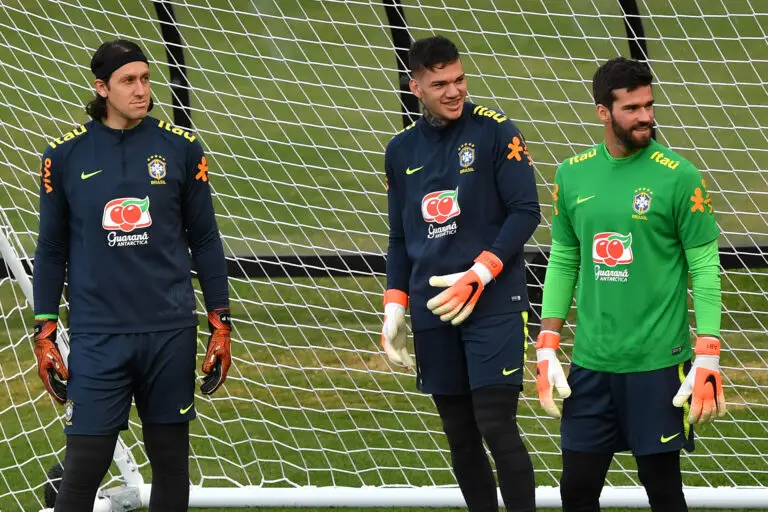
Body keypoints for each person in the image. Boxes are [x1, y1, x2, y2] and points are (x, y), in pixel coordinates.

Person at [32, 39, 231, 512]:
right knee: (82, 468)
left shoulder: (181, 149)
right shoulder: (63, 156)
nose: (141, 90)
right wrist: (44, 329)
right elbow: (52, 247)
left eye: (145, 78)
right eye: (128, 81)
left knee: (171, 468)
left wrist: (220, 322)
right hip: (100, 337)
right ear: (102, 88)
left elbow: (205, 240)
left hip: (169, 331)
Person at [535, 57, 726, 512]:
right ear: (604, 111)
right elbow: (564, 258)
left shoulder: (680, 177)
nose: (645, 116)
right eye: (632, 108)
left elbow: (704, 265)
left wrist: (708, 350)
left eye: (649, 105)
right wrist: (546, 342)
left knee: (662, 489)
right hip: (592, 364)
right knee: (576, 489)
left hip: (658, 365)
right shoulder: (571, 174)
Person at [381, 35, 541, 512]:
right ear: (416, 88)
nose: (454, 92)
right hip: (434, 310)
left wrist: (480, 272)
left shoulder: (496, 131)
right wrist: (394, 307)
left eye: (459, 80)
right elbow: (398, 238)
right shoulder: (400, 150)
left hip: (492, 303)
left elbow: (525, 211)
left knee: (494, 423)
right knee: (461, 436)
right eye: (440, 84)